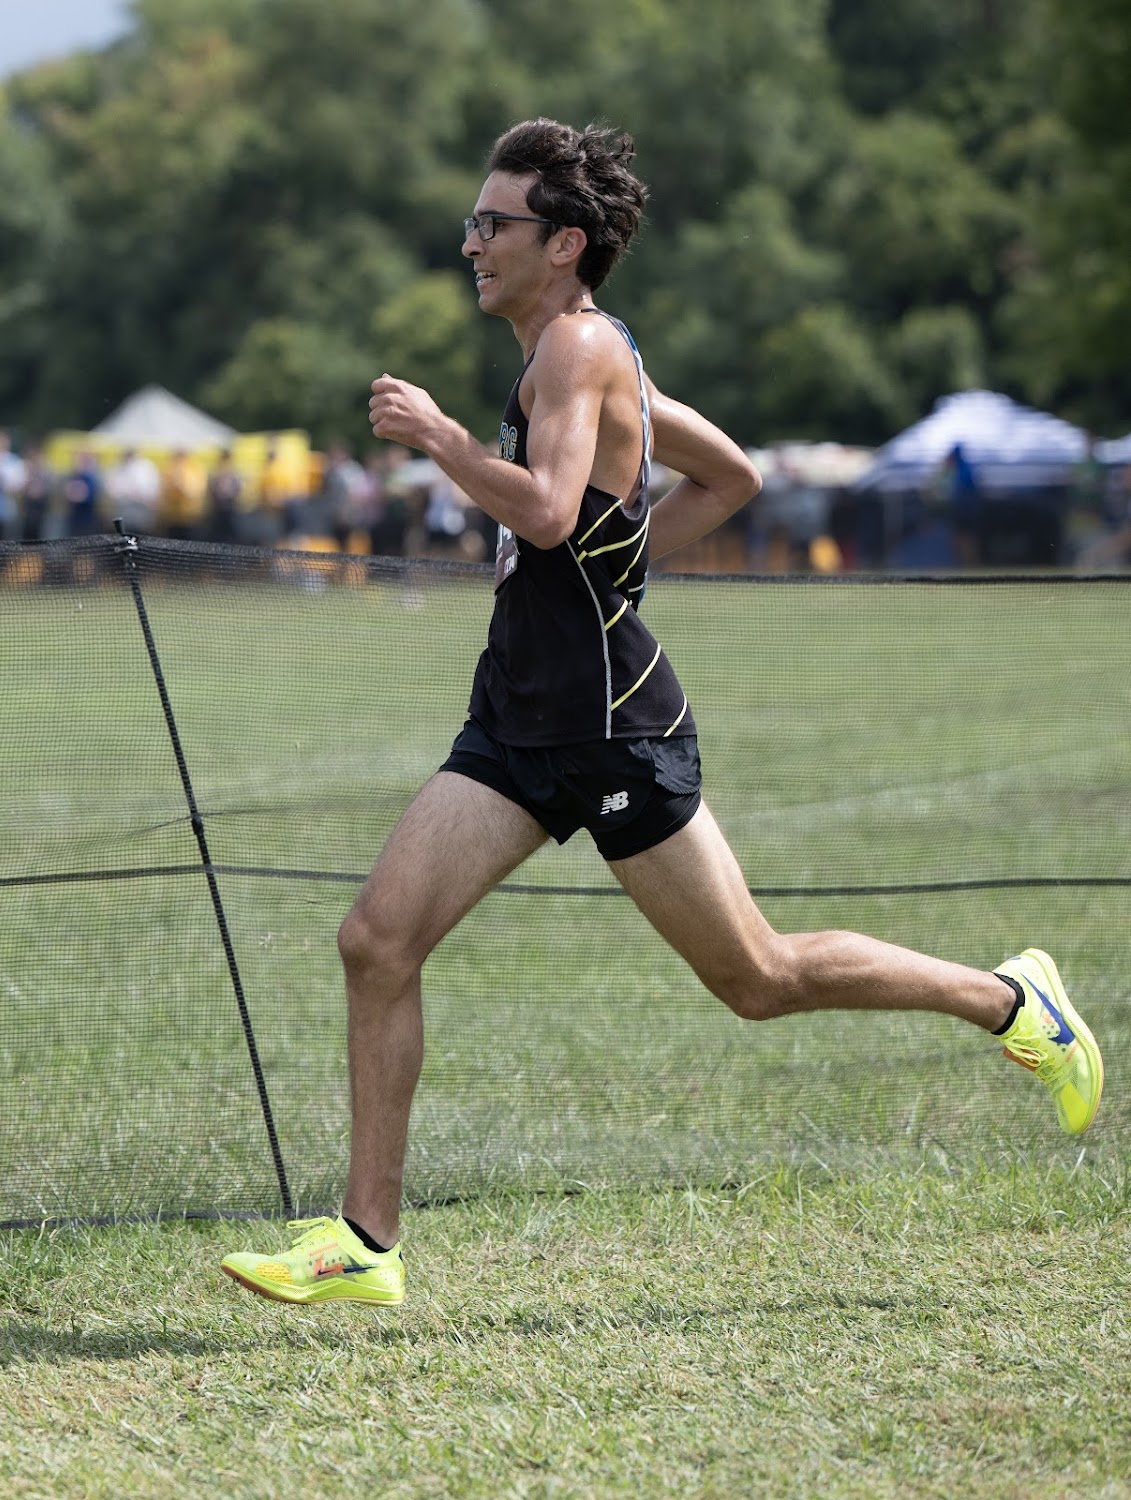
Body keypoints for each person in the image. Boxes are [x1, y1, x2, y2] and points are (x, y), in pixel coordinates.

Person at [219, 120, 1104, 1307]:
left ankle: (1006, 1001)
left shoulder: (577, 348)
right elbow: (730, 476)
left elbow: (545, 512)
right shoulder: (584, 354)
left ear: (562, 244)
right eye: (472, 222)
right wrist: (617, 561)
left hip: (612, 727)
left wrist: (440, 439)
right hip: (519, 715)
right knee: (376, 941)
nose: (471, 243)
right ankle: (364, 1242)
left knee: (757, 978)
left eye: (492, 224)